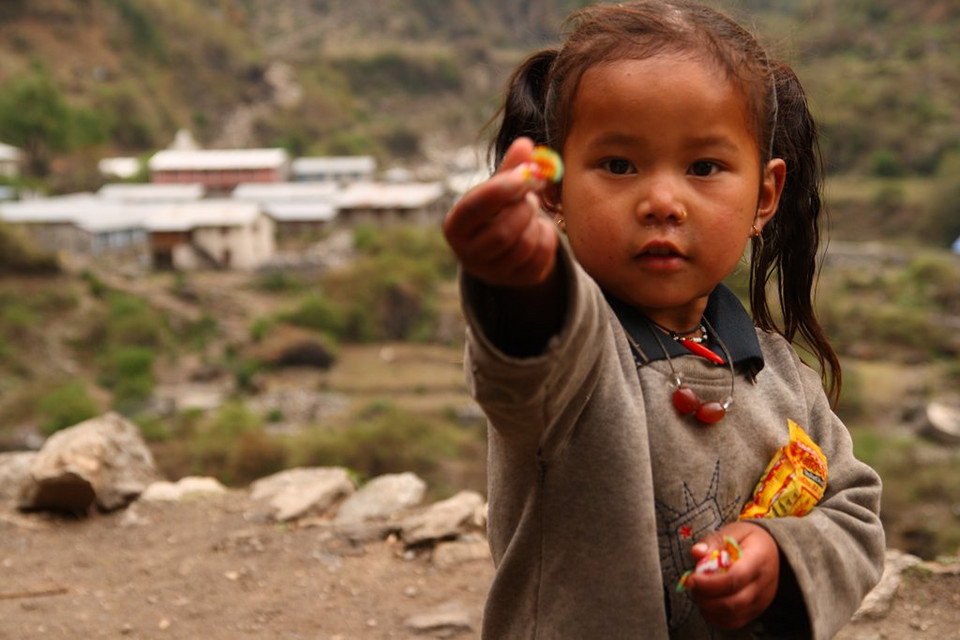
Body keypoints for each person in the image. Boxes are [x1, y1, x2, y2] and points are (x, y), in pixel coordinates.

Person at [443, 1, 885, 638]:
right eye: (619, 165)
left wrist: (778, 556)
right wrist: (518, 279)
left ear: (764, 196)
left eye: (704, 167)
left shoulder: (779, 375)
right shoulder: (579, 361)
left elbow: (854, 510)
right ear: (554, 192)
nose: (661, 202)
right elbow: (528, 354)